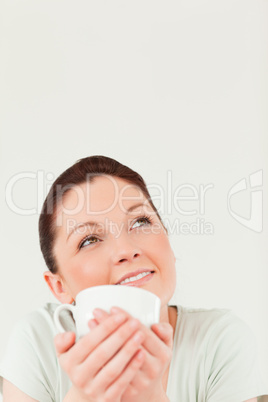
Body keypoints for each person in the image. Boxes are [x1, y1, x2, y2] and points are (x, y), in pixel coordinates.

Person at [0, 155, 267, 402]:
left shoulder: (222, 340)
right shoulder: (37, 341)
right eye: (89, 240)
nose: (126, 250)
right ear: (59, 287)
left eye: (140, 222)